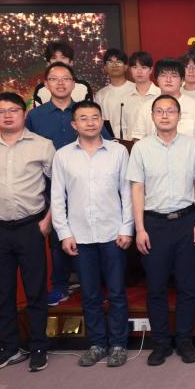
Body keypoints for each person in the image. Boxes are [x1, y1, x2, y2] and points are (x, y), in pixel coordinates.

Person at [0, 92, 55, 372]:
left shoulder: (42, 145)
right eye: (1, 111)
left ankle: (39, 346)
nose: (7, 115)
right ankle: (9, 347)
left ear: (24, 113)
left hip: (31, 227)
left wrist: (47, 221)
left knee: (35, 290)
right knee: (1, 291)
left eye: (13, 110)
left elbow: (59, 186)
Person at [50, 101, 133, 368]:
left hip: (113, 234)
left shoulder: (118, 152)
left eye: (95, 117)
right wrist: (64, 233)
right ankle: (97, 343)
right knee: (90, 293)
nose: (90, 122)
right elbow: (57, 198)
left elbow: (127, 192)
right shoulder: (63, 156)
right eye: (83, 118)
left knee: (117, 292)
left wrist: (126, 228)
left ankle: (118, 344)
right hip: (80, 236)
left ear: (101, 121)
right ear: (74, 124)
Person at [127, 94, 195, 366]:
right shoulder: (141, 149)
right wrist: (139, 228)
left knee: (188, 286)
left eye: (170, 111)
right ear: (152, 116)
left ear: (179, 116)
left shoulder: (192, 146)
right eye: (159, 111)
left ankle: (184, 340)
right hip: (154, 224)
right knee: (156, 286)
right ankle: (160, 343)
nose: (164, 115)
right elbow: (137, 189)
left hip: (186, 221)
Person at [26, 63, 112, 307]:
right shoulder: (36, 116)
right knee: (58, 236)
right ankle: (60, 285)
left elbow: (106, 144)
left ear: (74, 84)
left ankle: (92, 285)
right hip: (50, 184)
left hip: (86, 184)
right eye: (54, 79)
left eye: (66, 79)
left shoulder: (86, 112)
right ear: (46, 84)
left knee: (90, 235)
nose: (61, 83)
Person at [131, 59, 195, 148]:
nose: (168, 80)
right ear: (157, 79)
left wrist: (186, 151)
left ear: (182, 80)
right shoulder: (146, 106)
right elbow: (138, 138)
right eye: (163, 75)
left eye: (174, 76)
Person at [32, 40, 93, 107]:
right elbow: (38, 112)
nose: (59, 61)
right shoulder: (40, 89)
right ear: (48, 64)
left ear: (71, 62)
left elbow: (91, 111)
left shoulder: (83, 87)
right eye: (54, 58)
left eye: (63, 57)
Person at [93, 48, 134, 139]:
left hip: (135, 141)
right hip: (110, 142)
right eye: (110, 62)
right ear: (105, 67)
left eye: (119, 62)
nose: (114, 65)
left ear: (126, 66)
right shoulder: (100, 95)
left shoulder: (136, 90)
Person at [121, 51, 161, 141]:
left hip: (156, 145)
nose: (139, 71)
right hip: (131, 145)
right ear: (130, 69)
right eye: (135, 67)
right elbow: (123, 127)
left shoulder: (161, 95)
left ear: (151, 70)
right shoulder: (125, 98)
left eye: (143, 67)